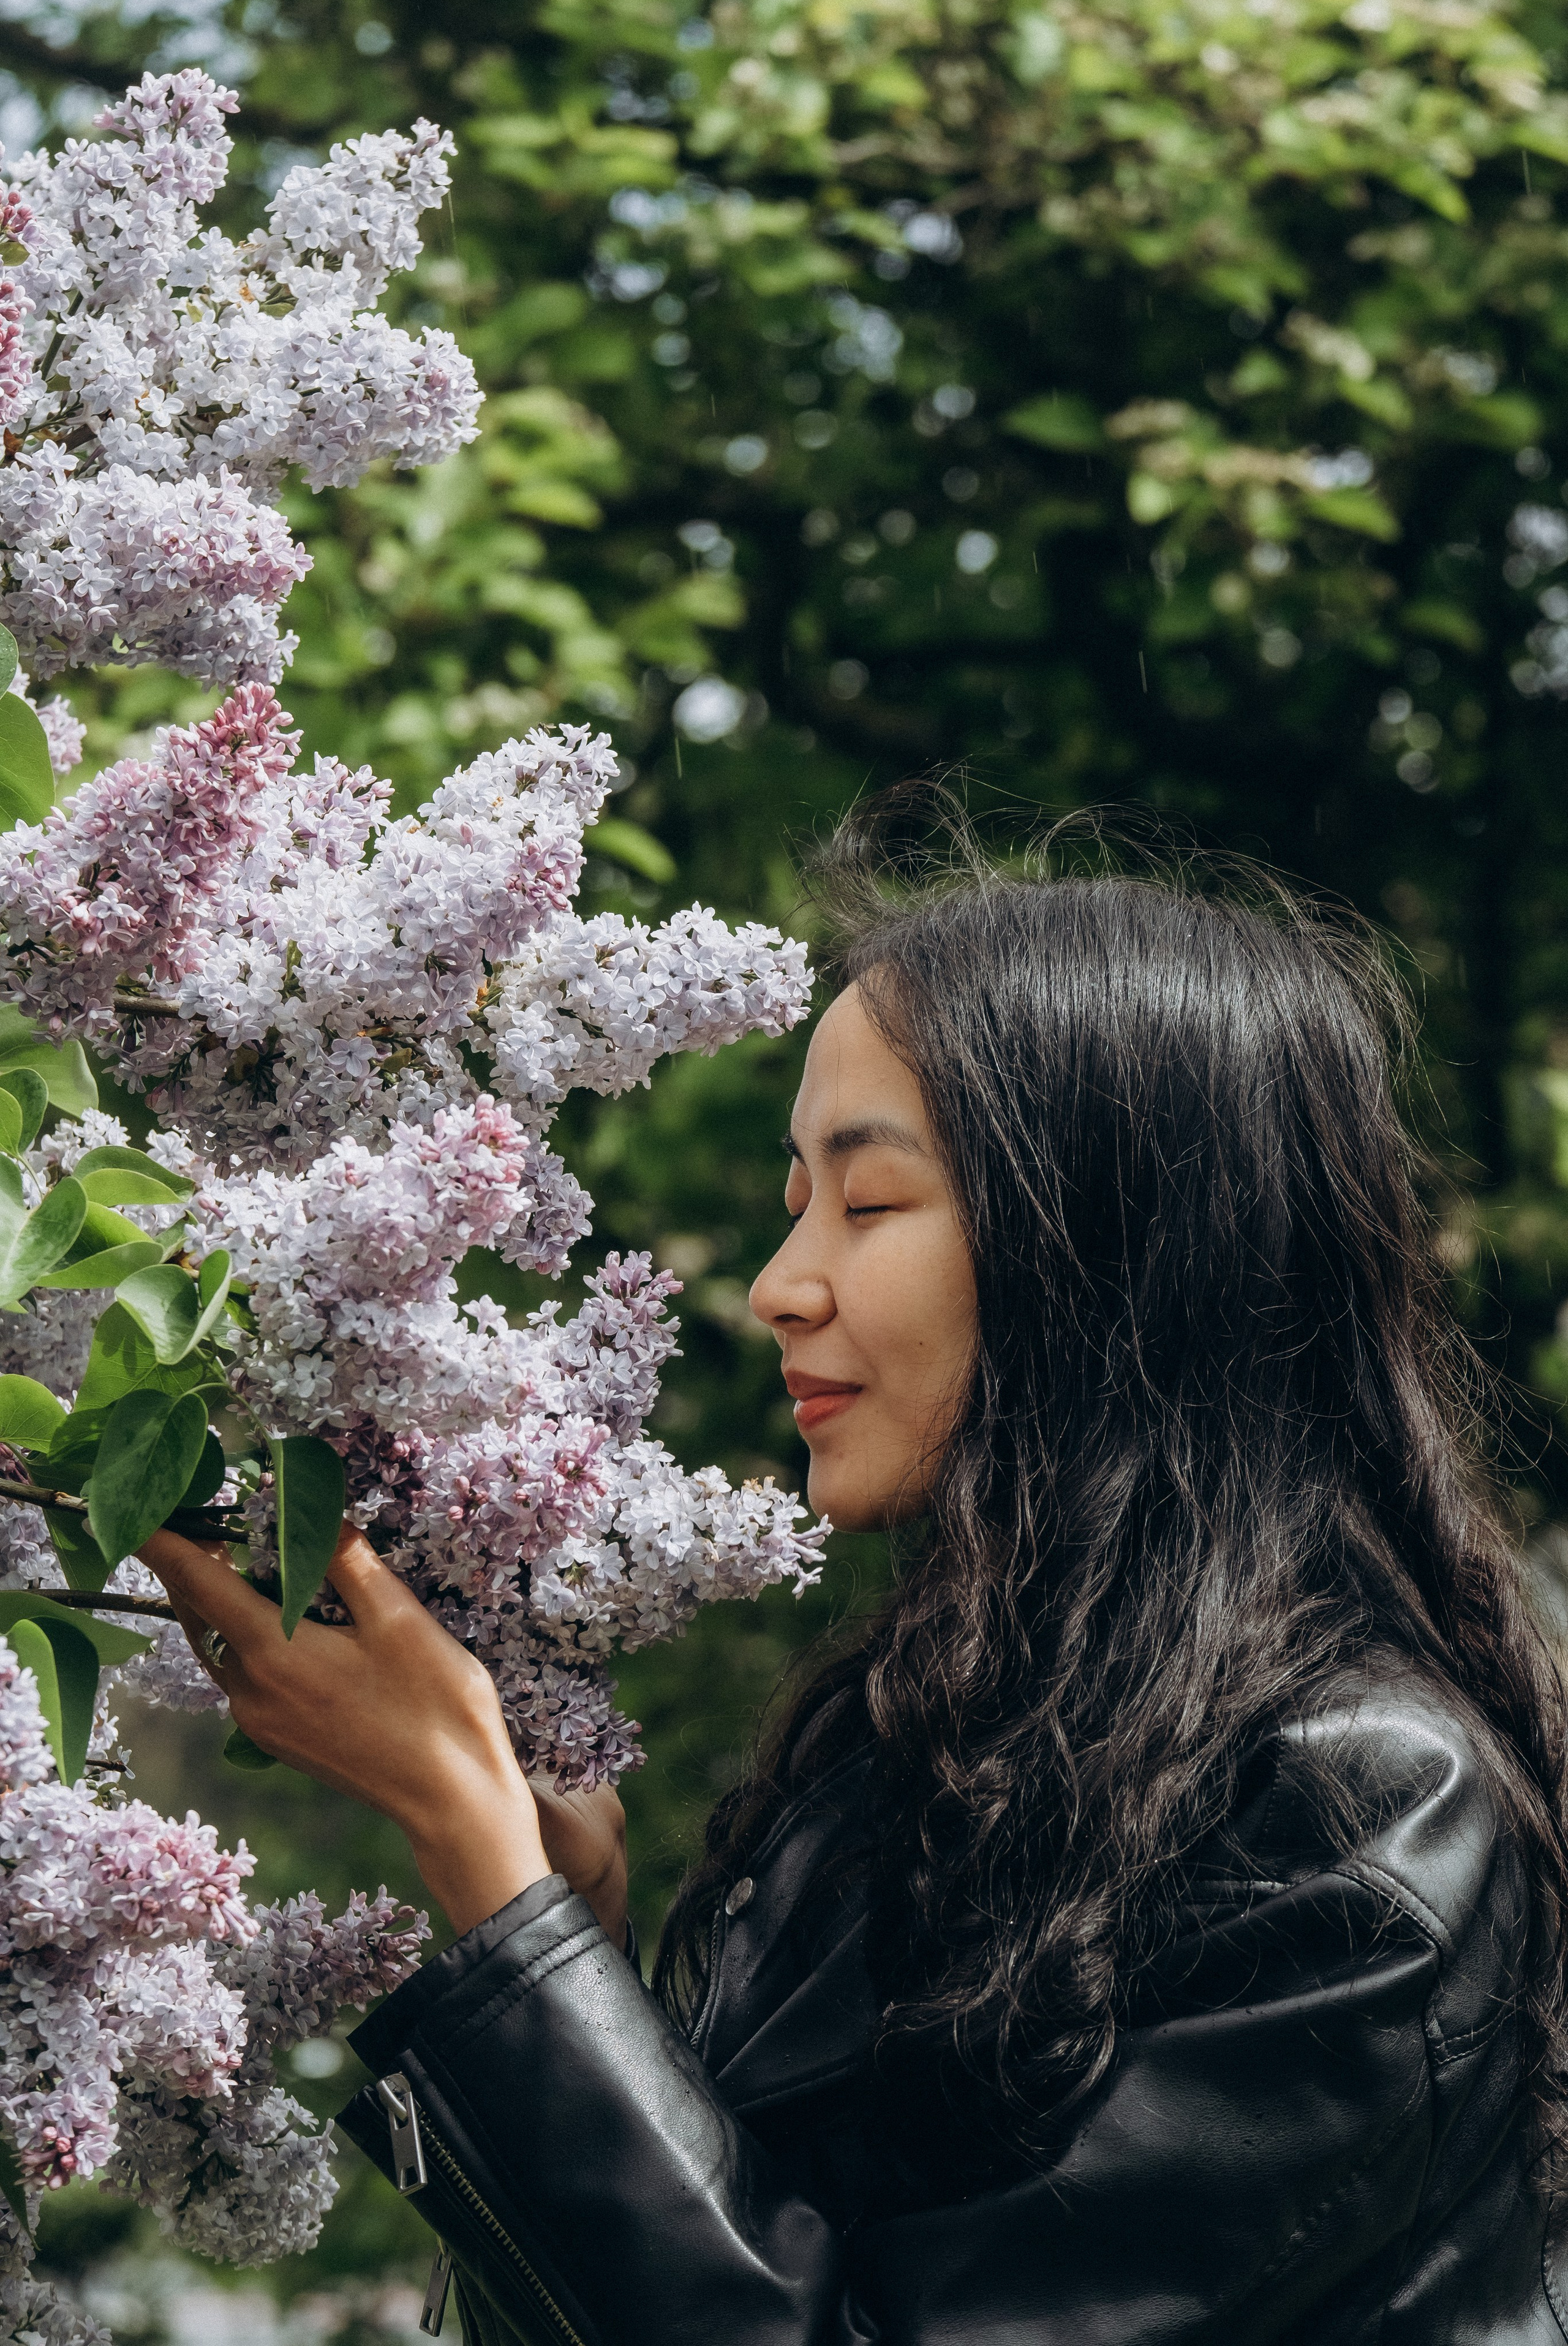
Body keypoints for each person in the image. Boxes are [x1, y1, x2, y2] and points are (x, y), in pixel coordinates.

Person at [145, 822, 1568, 2344]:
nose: (780, 1287)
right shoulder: (933, 1752)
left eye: (869, 1203)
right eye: (792, 1205)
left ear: (1106, 1249)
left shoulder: (1354, 1817)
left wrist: (478, 1859)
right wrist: (574, 1942)